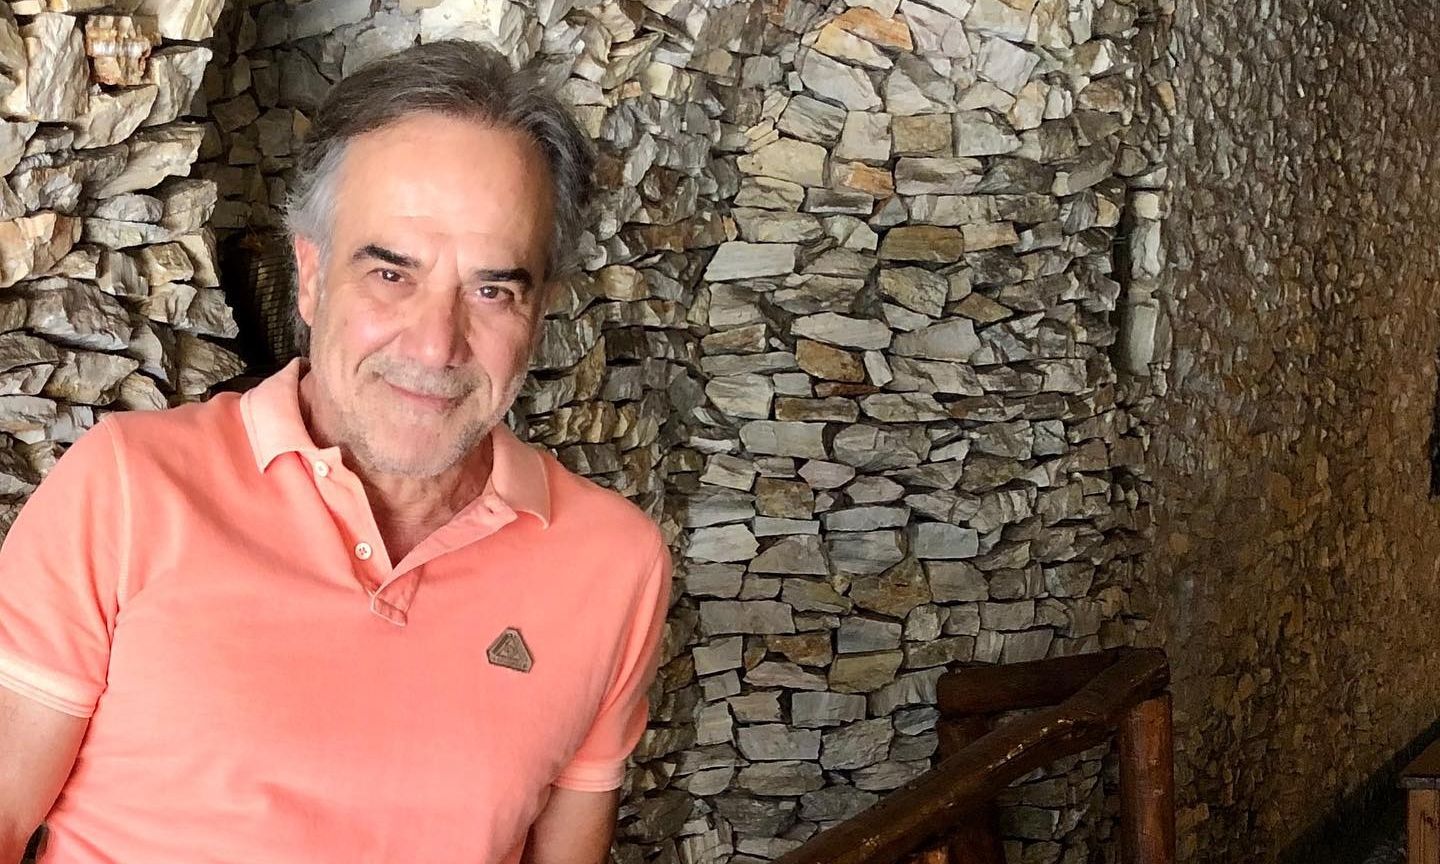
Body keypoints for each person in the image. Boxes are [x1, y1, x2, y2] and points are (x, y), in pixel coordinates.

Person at [0, 40, 672, 864]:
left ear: (539, 312)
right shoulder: (126, 488)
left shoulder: (614, 561)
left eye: (492, 289)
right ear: (312, 277)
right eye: (391, 274)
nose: (436, 345)